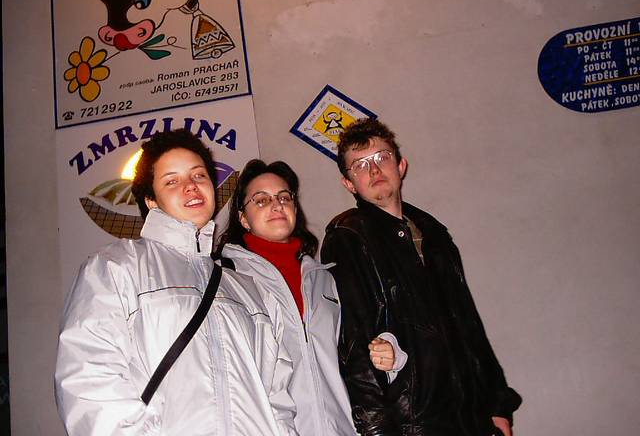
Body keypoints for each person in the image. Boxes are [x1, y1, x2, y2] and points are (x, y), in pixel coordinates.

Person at [55, 130, 297, 436]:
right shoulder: (116, 267)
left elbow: (276, 395)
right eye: (172, 181)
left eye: (199, 175)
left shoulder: (248, 288)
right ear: (151, 200)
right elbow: (89, 379)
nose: (191, 186)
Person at [321, 119, 522, 436]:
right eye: (360, 165)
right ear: (348, 183)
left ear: (401, 165)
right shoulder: (348, 237)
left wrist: (497, 405)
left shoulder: (434, 233)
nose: (374, 170)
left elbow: (468, 323)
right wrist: (378, 431)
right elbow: (354, 344)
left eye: (382, 157)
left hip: (471, 418)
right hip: (413, 424)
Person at [217, 159, 404, 436]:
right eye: (261, 200)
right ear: (243, 218)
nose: (276, 205)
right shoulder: (227, 281)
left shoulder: (324, 278)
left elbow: (354, 352)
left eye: (284, 197)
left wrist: (391, 352)